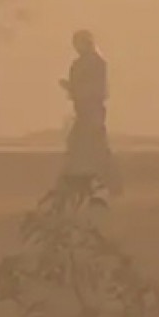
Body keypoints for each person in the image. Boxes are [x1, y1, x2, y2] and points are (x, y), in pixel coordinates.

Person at [59, 29, 120, 194]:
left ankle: (109, 184)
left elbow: (96, 90)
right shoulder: (79, 64)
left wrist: (75, 89)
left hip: (92, 112)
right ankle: (85, 184)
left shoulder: (97, 64)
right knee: (82, 147)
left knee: (94, 148)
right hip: (84, 111)